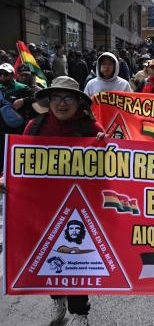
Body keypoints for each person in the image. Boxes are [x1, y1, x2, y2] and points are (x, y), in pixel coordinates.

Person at [25, 76, 105, 326]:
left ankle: (80, 312)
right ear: (49, 101)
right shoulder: (34, 127)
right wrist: (6, 179)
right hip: (44, 208)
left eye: (68, 98)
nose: (62, 104)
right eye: (57, 98)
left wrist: (105, 146)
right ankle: (57, 298)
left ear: (78, 102)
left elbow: (112, 166)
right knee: (51, 258)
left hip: (81, 210)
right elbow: (19, 163)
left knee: (78, 261)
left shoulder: (91, 129)